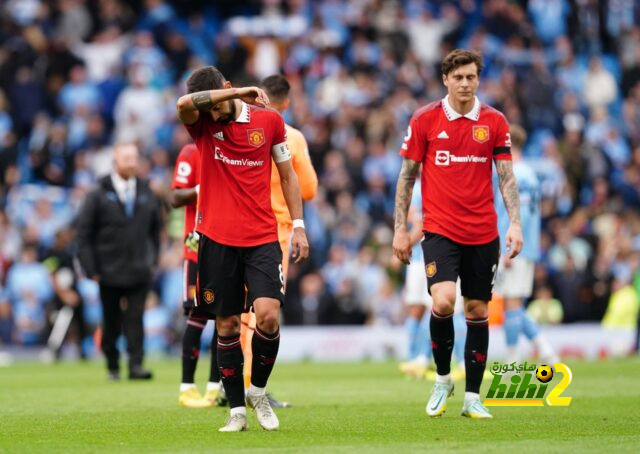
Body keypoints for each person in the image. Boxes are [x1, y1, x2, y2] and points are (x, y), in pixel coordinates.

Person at [176, 66, 309, 432]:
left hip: (262, 236)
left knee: (267, 316)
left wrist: (298, 226)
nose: (212, 116)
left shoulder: (269, 122)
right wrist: (233, 96)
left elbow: (288, 175)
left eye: (217, 107)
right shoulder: (202, 123)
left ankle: (259, 392)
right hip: (216, 240)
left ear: (227, 87)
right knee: (227, 324)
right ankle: (236, 411)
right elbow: (184, 104)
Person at [392, 49, 523, 419]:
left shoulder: (495, 121)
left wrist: (515, 223)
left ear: (478, 79)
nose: (465, 83)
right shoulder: (425, 120)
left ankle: (472, 398)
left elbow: (506, 177)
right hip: (439, 231)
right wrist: (400, 229)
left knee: (478, 309)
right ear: (445, 79)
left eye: (471, 77)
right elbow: (406, 177)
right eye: (459, 77)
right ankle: (443, 378)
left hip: (483, 232)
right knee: (444, 301)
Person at [239, 74, 318, 406]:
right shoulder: (292, 137)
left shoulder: (237, 130)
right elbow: (309, 188)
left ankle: (225, 382)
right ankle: (253, 387)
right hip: (275, 231)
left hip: (236, 227)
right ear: (285, 102)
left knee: (238, 312)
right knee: (265, 311)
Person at [76, 143, 162, 380]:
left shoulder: (146, 191)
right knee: (111, 319)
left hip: (138, 268)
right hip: (108, 269)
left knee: (136, 318)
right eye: (126, 158)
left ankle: (136, 365)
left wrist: (152, 259)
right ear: (116, 161)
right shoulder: (98, 193)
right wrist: (90, 267)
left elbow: (156, 231)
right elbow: (84, 234)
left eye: (134, 158)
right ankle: (112, 364)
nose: (131, 163)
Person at [494, 125, 559, 368]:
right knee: (515, 303)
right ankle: (545, 351)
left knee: (511, 303)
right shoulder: (530, 174)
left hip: (513, 246)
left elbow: (514, 215)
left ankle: (512, 361)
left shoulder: (514, 175)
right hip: (527, 245)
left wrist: (508, 248)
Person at [169, 143, 224, 408]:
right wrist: (203, 190)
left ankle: (214, 388)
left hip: (227, 245)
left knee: (225, 315)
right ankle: (187, 388)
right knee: (197, 314)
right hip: (197, 248)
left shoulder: (230, 146)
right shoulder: (192, 152)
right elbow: (175, 198)